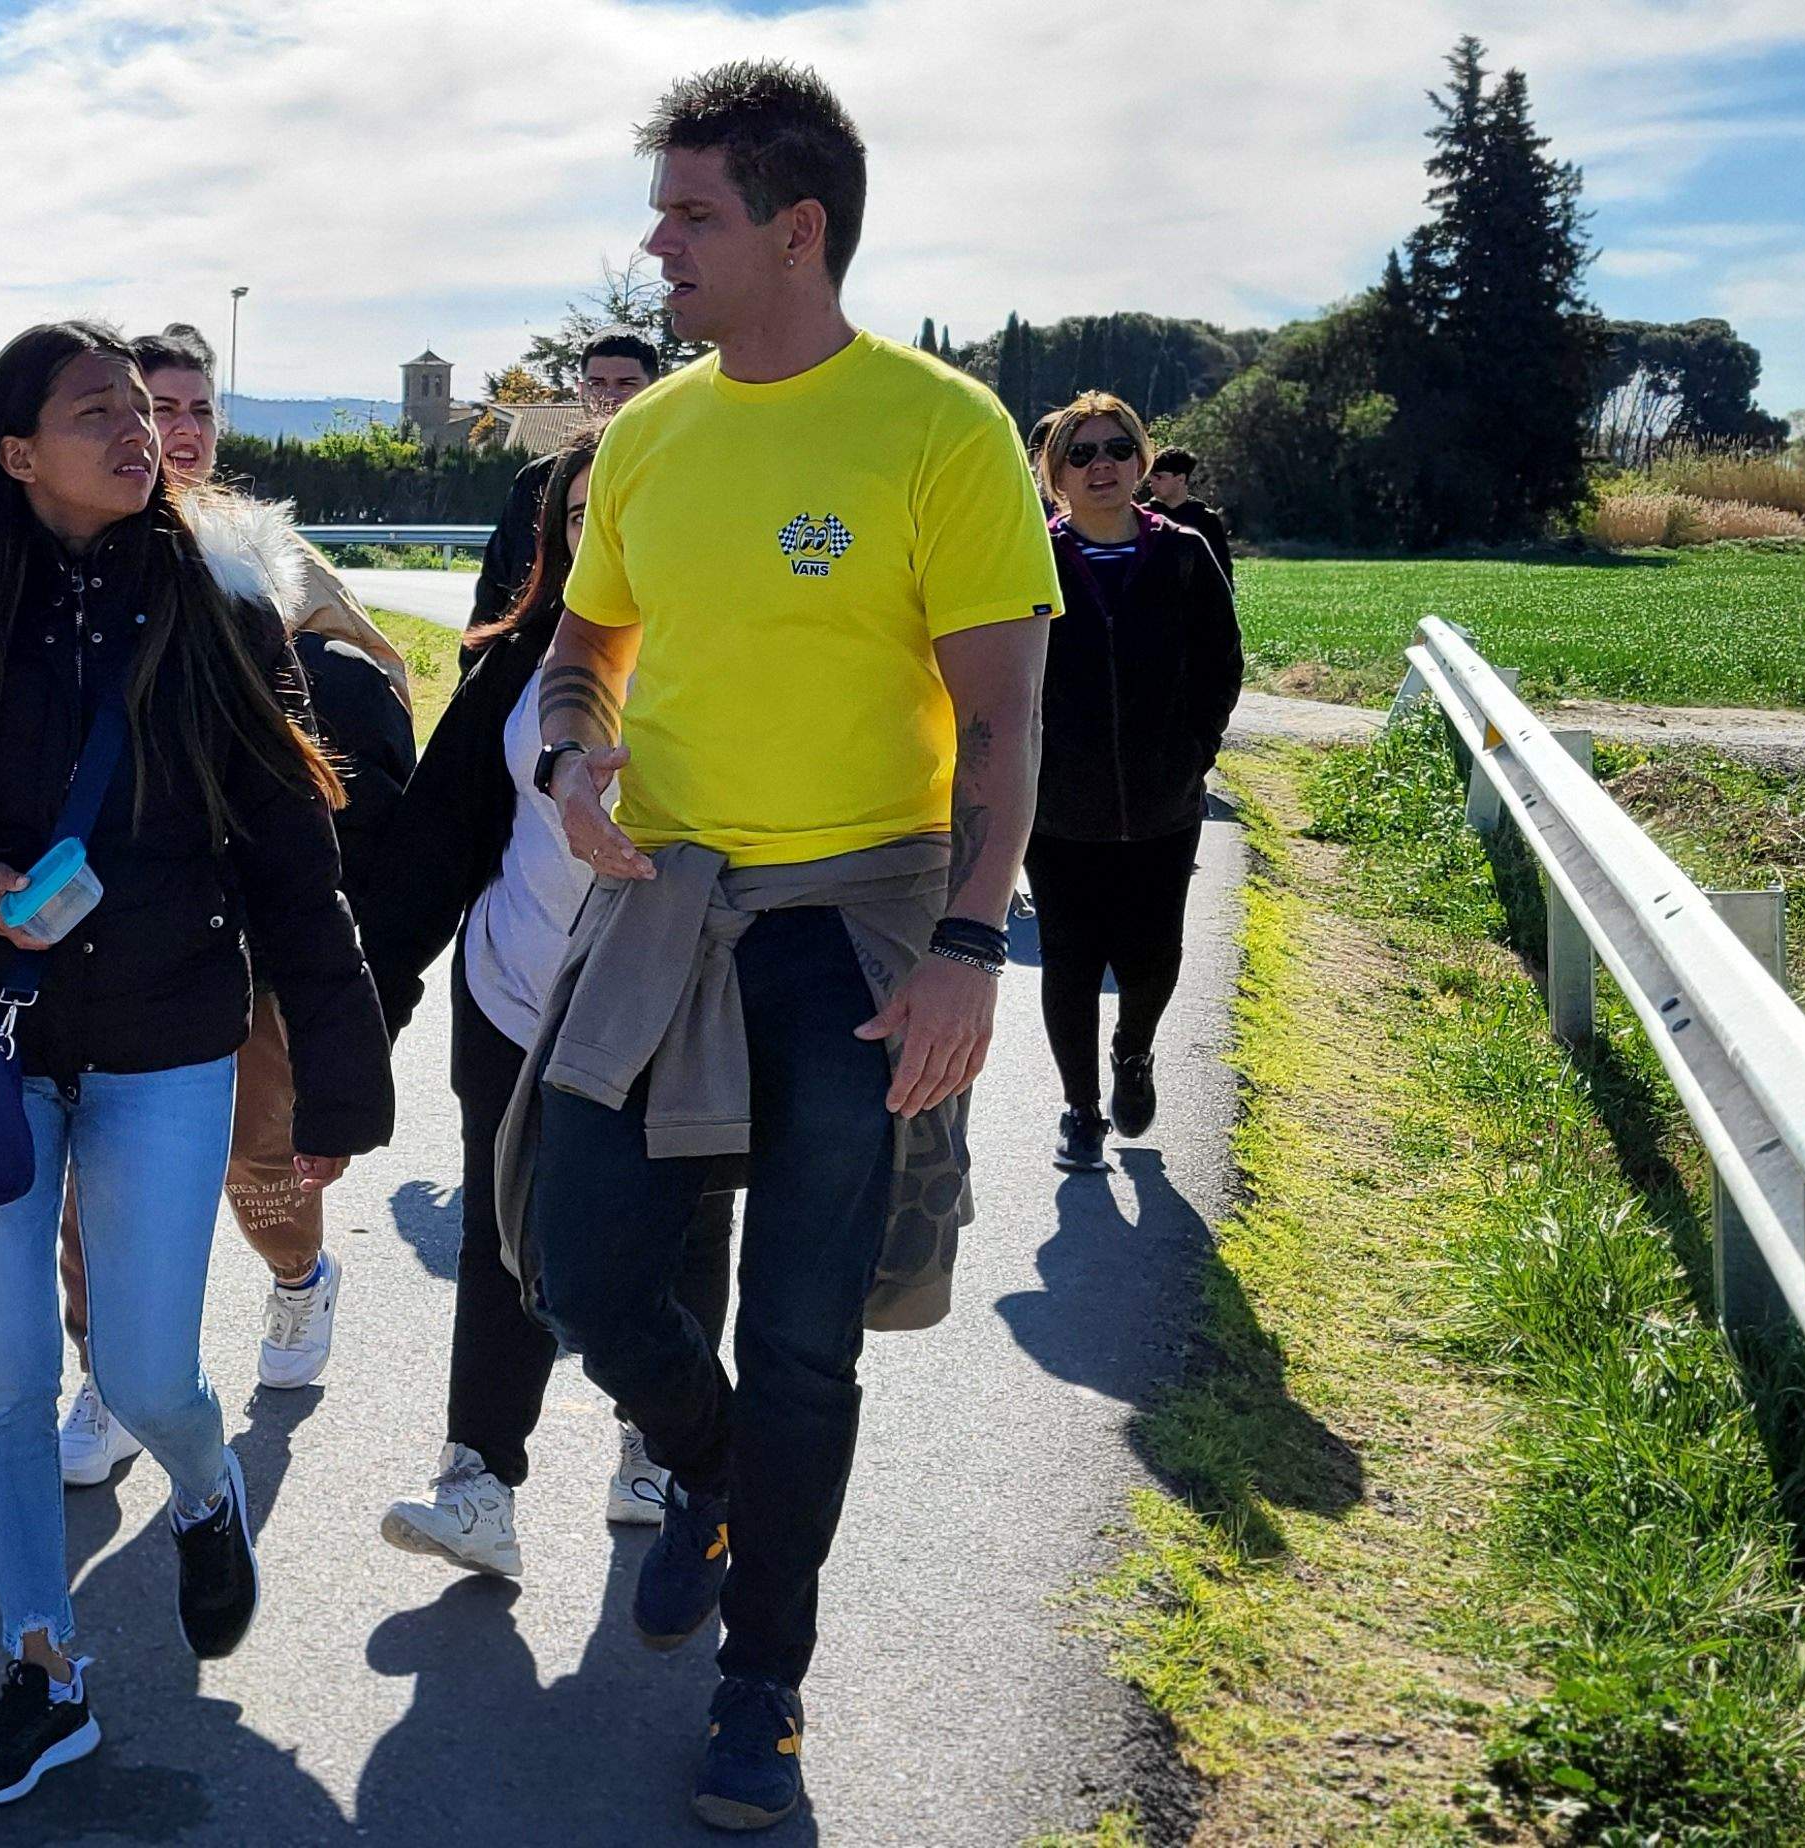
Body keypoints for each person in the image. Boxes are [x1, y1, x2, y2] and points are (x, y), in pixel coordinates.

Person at [517, 62, 1055, 1832]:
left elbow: (1000, 718)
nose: (655, 243)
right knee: (578, 1259)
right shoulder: (651, 436)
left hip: (860, 928)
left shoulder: (942, 429)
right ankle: (712, 1466)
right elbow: (584, 647)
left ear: (796, 229)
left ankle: (766, 1684)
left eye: (691, 214)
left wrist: (972, 940)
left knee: (808, 1330)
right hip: (663, 913)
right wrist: (569, 753)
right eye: (661, 209)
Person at [0, 320, 395, 1810]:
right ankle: (43, 1672)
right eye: (97, 413)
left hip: (166, 1042)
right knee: (6, 1385)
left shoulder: (216, 604)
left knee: (142, 1371)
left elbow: (289, 849)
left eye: (145, 407)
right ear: (16, 452)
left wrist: (339, 1069)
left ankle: (206, 1487)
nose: (142, 431)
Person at [354, 425, 739, 1578]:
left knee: (682, 1232)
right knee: (499, 1233)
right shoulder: (517, 674)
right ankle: (479, 1481)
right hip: (512, 997)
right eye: (575, 517)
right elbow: (433, 857)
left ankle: (662, 1453)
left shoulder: (727, 667)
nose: (596, 535)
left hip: (670, 1011)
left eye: (618, 514)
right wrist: (366, 1013)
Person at [40, 325, 414, 1485]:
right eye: (156, 405)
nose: (179, 429)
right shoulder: (61, 555)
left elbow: (381, 682)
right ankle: (104, 1379)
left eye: (196, 406)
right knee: (90, 1177)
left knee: (263, 1165)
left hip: (242, 919)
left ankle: (300, 1282)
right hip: (108, 925)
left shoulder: (257, 557)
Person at [1027, 396, 1241, 1174]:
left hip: (1162, 803)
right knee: (1070, 961)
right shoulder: (1028, 557)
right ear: (1054, 475)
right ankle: (1081, 1110)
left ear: (1143, 460)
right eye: (1080, 455)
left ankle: (1135, 1052)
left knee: (1153, 955)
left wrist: (1195, 754)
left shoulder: (1182, 553)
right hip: (1057, 809)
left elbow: (1222, 662)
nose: (1102, 466)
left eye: (1117, 448)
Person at [471, 330, 665, 643]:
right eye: (597, 384)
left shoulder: (672, 473)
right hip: (545, 645)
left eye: (626, 384)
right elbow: (498, 585)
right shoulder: (539, 479)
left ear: (657, 390)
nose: (609, 398)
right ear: (580, 390)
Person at [1142, 444, 1235, 576]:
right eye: (1151, 477)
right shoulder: (1142, 516)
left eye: (1159, 477)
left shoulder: (1206, 519)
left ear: (1180, 479)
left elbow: (1222, 570)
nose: (1152, 483)